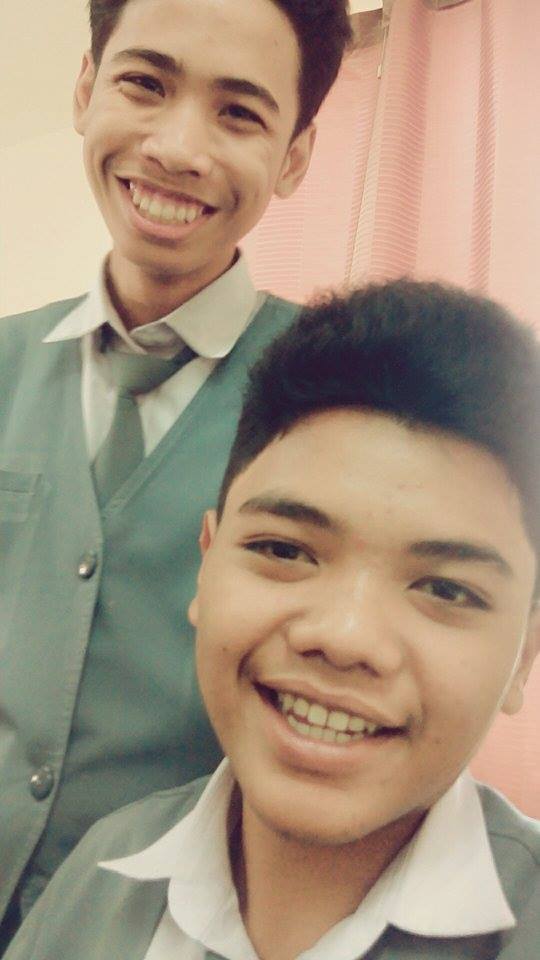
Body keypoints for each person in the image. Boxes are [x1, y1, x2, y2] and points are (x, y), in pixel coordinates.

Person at [6, 278, 540, 960]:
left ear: (525, 653)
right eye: (284, 550)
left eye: (446, 589)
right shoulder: (102, 872)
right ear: (206, 565)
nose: (344, 637)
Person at [0, 0, 352, 946]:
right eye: (145, 83)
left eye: (238, 112)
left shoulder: (338, 397)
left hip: (173, 928)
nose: (178, 148)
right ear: (85, 88)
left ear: (295, 155)